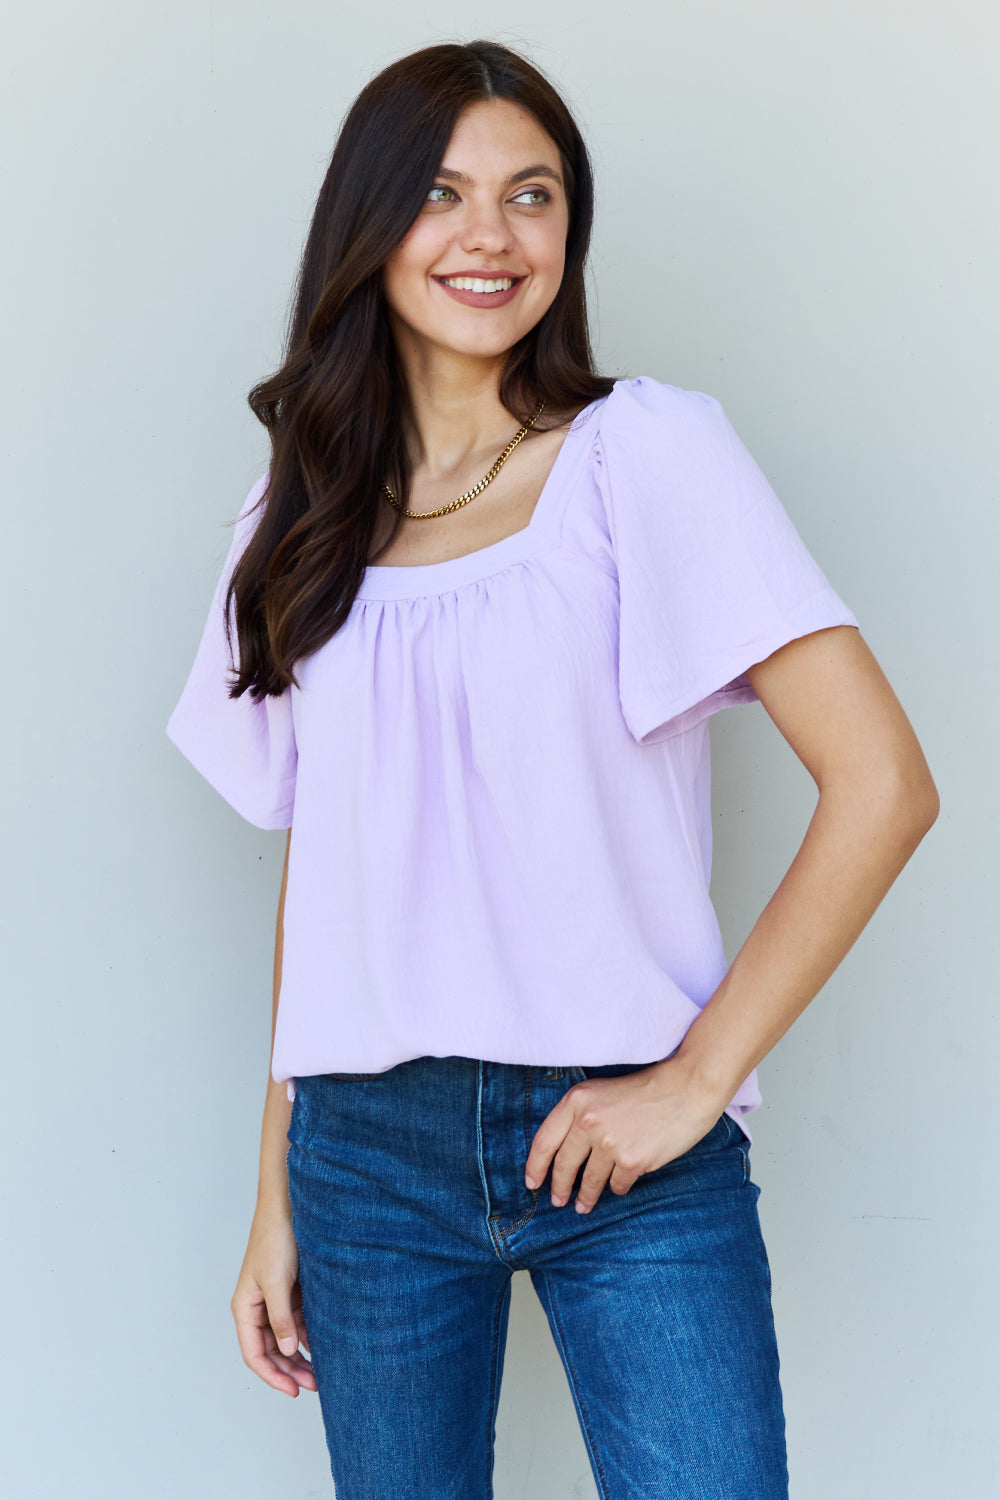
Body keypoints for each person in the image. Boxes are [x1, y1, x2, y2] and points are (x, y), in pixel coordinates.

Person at [165, 38, 939, 1500]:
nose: (492, 236)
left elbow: (886, 781)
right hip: (364, 1160)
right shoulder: (302, 514)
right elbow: (325, 876)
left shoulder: (644, 454)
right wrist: (273, 1193)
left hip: (625, 1151)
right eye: (445, 194)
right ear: (369, 226)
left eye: (534, 195)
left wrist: (697, 1078)